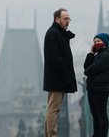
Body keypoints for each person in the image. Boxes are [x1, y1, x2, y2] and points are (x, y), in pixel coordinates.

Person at [43, 8, 77, 137]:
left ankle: (50, 134)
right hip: (57, 79)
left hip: (57, 78)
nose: (68, 21)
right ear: (57, 19)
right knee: (54, 109)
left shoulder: (57, 33)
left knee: (53, 109)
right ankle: (52, 135)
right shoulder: (53, 34)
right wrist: (64, 75)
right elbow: (54, 59)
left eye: (68, 19)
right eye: (65, 19)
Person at [84, 32, 109, 137]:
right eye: (95, 41)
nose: (96, 43)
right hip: (93, 88)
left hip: (101, 89)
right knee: (95, 115)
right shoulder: (98, 55)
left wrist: (88, 70)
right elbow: (86, 66)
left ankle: (102, 135)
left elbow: (90, 70)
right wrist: (91, 53)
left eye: (99, 41)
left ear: (105, 42)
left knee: (101, 114)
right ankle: (96, 134)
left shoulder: (107, 55)